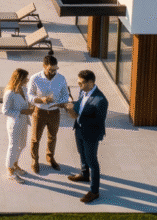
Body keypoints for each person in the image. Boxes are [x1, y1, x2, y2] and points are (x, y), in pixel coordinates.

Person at [63, 69, 108, 203]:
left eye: (81, 83)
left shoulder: (101, 100)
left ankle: (94, 191)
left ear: (91, 83)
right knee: (81, 152)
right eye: (78, 82)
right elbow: (80, 104)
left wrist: (75, 114)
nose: (79, 85)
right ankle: (84, 174)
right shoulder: (83, 91)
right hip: (79, 129)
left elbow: (98, 122)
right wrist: (72, 106)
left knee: (92, 161)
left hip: (91, 134)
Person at [26, 54, 70, 173]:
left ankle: (50, 157)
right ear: (44, 66)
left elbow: (65, 95)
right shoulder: (35, 78)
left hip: (55, 112)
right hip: (39, 112)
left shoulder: (61, 78)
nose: (53, 72)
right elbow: (29, 95)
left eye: (55, 69)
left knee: (52, 137)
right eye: (51, 70)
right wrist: (41, 100)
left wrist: (59, 102)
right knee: (35, 138)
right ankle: (34, 160)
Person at [2, 68, 35, 183]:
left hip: (24, 121)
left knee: (22, 144)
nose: (28, 79)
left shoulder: (24, 89)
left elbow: (28, 101)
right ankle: (10, 171)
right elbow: (5, 111)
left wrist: (31, 107)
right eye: (26, 78)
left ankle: (15, 164)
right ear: (20, 79)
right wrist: (22, 112)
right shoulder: (10, 93)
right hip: (14, 123)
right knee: (13, 146)